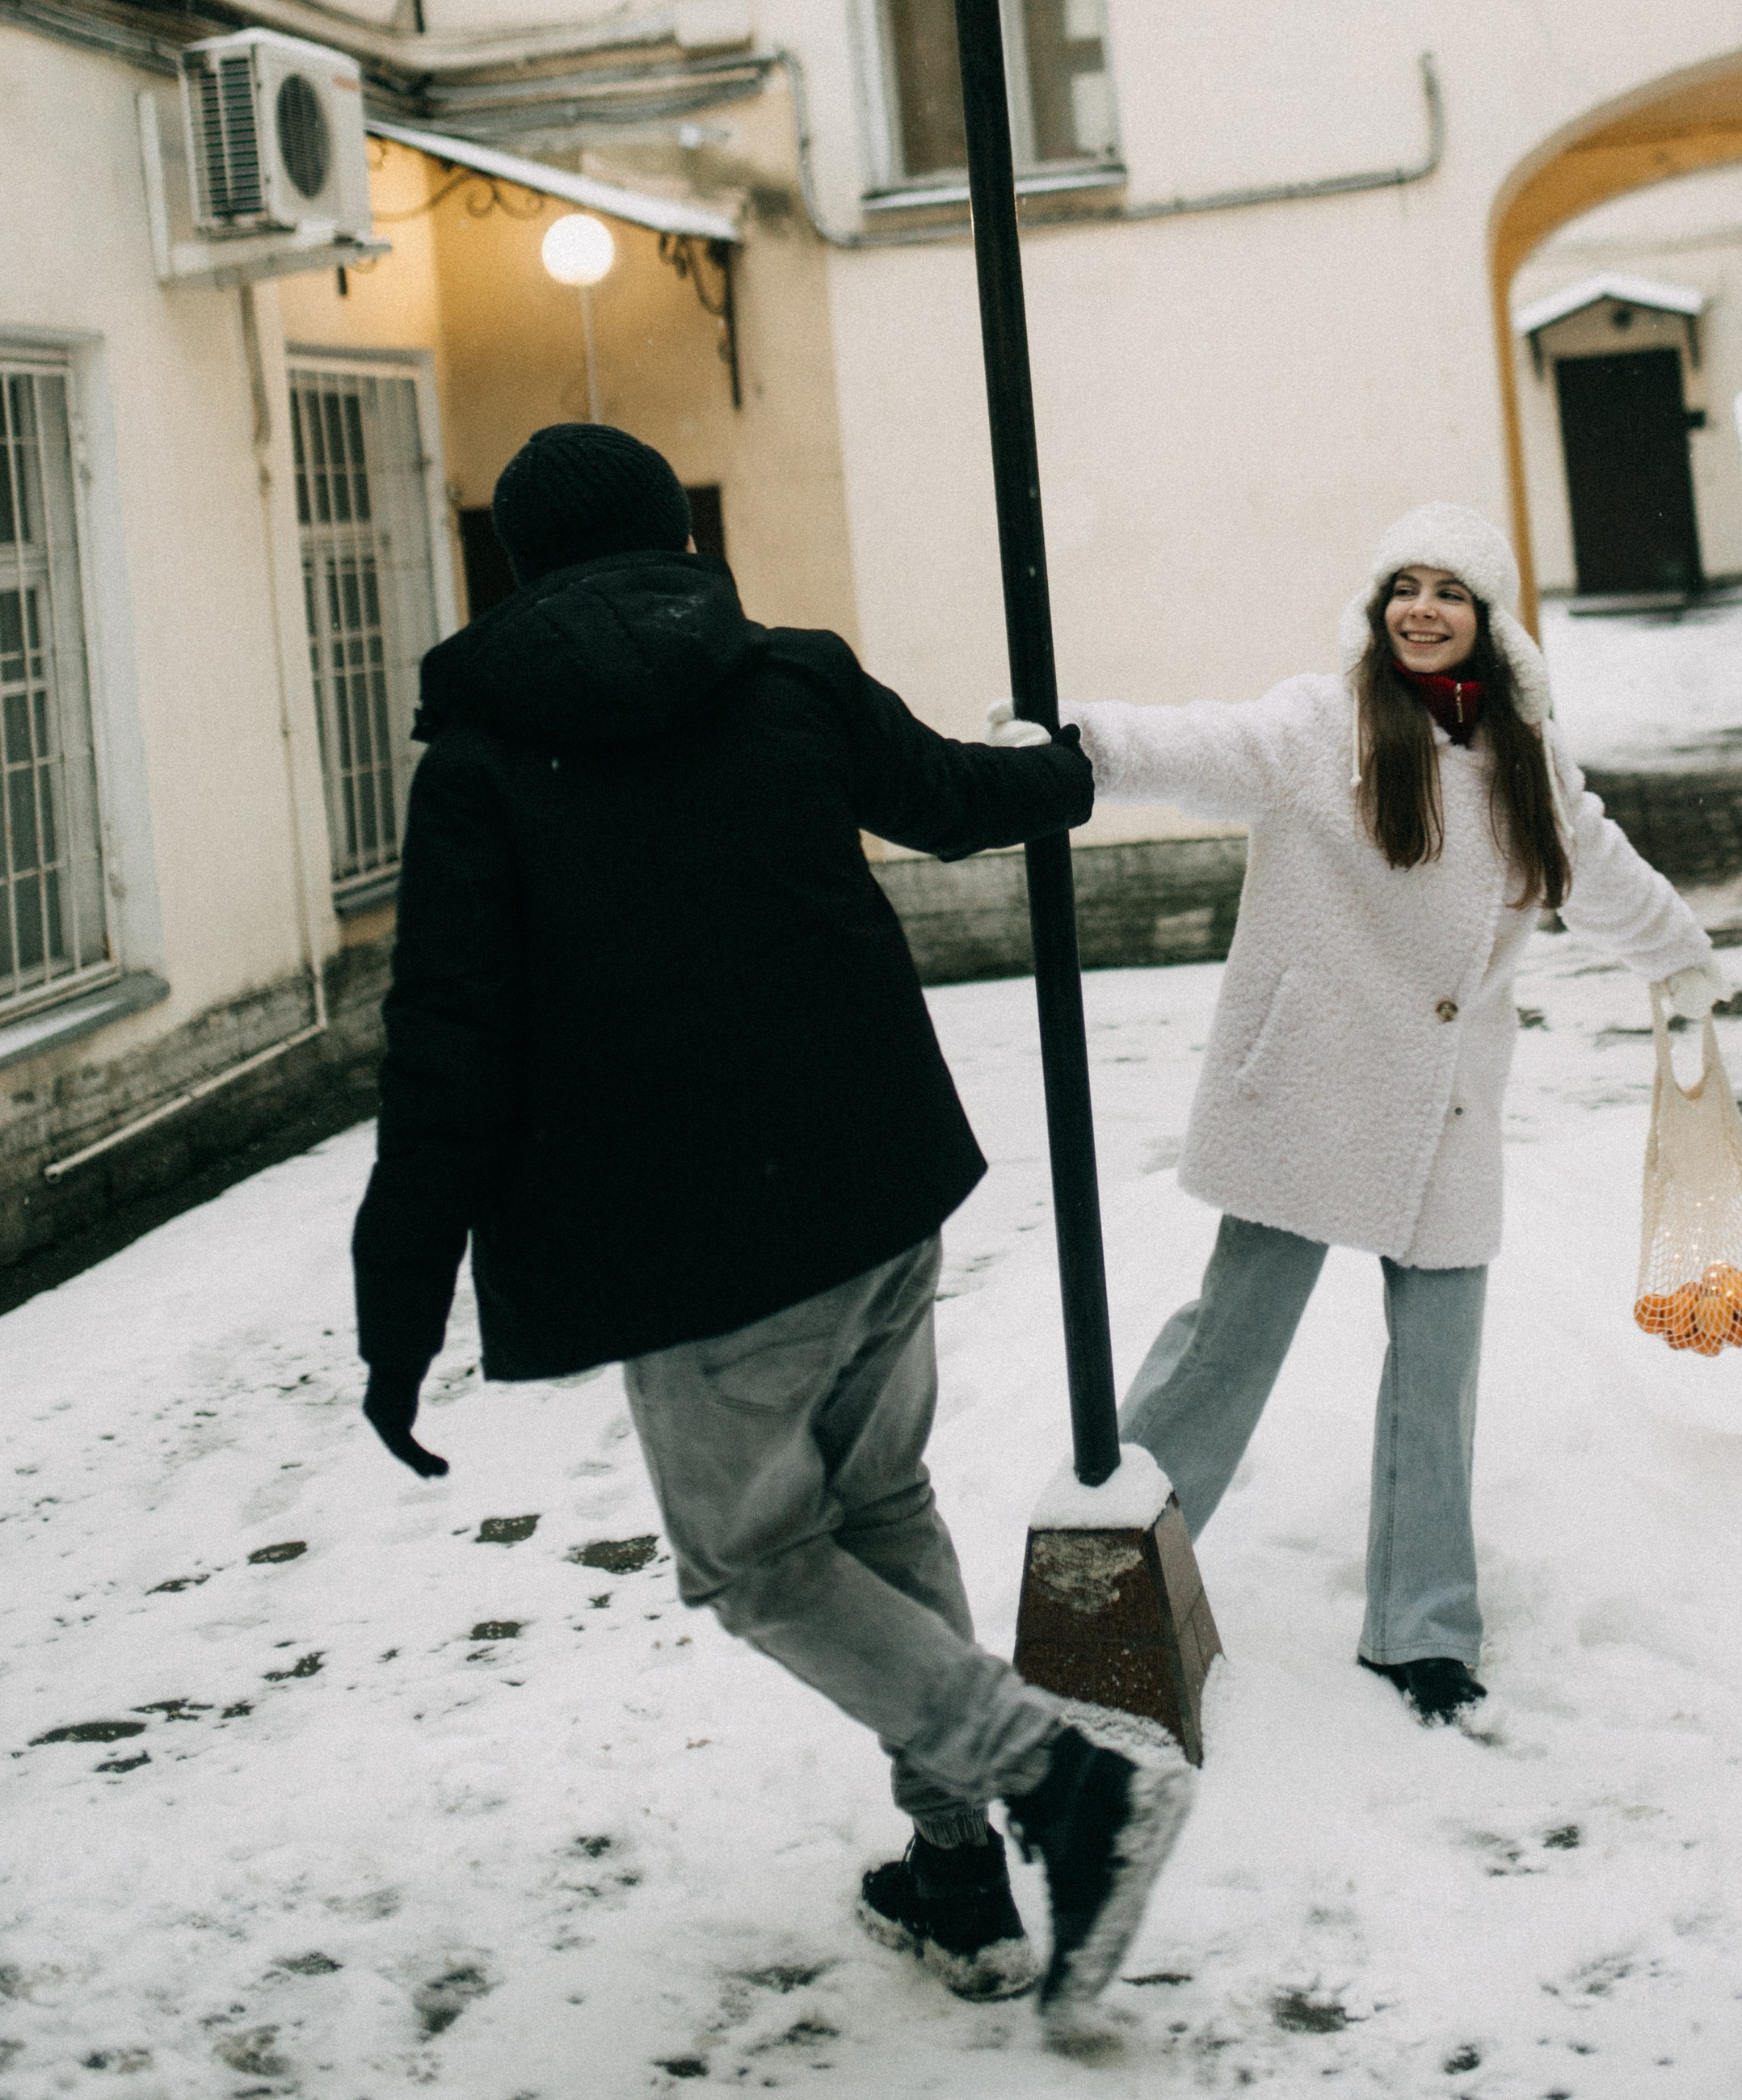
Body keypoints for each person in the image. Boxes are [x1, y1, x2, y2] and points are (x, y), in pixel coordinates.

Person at [352, 422, 1191, 2021]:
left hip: (693, 1245)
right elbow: (951, 799)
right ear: (678, 536)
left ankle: (1060, 1785)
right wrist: (1072, 773)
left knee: (755, 1564)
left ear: (515, 566)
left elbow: (445, 1052)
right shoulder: (785, 671)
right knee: (875, 1510)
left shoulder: (478, 762)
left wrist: (398, 1317)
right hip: (878, 1189)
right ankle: (956, 1874)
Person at [1034, 503, 1719, 1728]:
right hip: (1315, 1074)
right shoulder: (1321, 724)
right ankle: (1100, 1577)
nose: (1420, 608)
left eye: (1447, 589)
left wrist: (1678, 953)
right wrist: (1068, 741)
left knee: (1439, 1369)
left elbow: (1598, 866)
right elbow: (1199, 746)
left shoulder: (1528, 753)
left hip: (1448, 1103)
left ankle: (1424, 1629)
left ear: (1489, 618)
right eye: (1401, 585)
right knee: (1229, 1339)